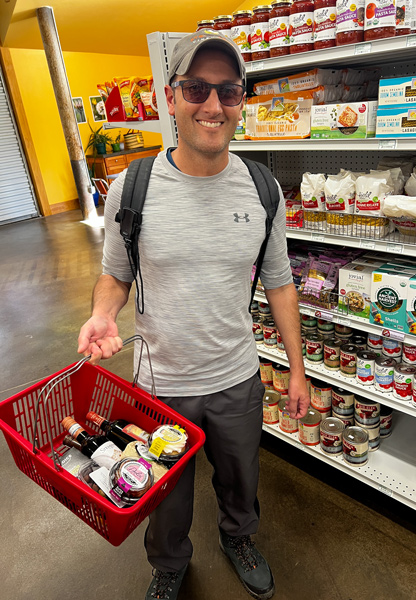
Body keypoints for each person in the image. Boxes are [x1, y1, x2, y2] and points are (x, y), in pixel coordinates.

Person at [77, 29, 310, 600]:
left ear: (241, 100)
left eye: (227, 92)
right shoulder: (132, 188)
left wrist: (298, 370)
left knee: (241, 480)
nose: (212, 105)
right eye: (196, 89)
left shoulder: (262, 189)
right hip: (161, 383)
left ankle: (239, 538)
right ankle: (170, 564)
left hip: (237, 377)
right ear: (171, 96)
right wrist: (104, 314)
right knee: (164, 496)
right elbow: (115, 273)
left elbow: (279, 282)